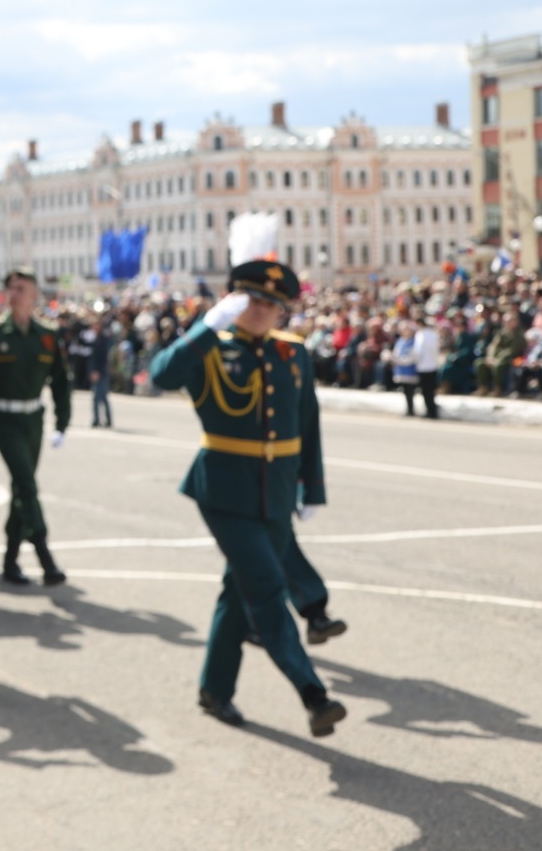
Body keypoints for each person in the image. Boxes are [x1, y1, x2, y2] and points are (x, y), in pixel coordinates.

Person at [149, 259, 349, 738]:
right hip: (224, 488)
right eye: (252, 301)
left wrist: (312, 488)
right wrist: (204, 327)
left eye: (272, 304)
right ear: (233, 301)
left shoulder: (292, 353)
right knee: (265, 589)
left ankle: (214, 691)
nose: (262, 311)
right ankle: (313, 694)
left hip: (276, 490)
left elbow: (308, 427)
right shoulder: (210, 347)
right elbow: (160, 375)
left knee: (237, 594)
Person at [0, 267, 72, 586]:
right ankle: (45, 554)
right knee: (26, 482)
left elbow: (61, 381)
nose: (15, 293)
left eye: (22, 288)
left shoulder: (47, 334)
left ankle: (9, 560)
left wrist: (63, 422)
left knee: (22, 488)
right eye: (12, 288)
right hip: (4, 418)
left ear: (34, 295)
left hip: (33, 419)